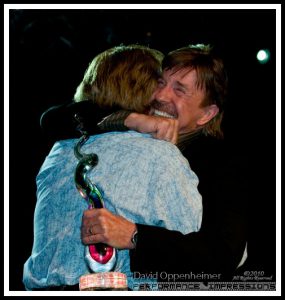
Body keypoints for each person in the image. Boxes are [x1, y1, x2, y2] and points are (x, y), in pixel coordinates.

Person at [39, 44, 248, 289]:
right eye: (160, 82)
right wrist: (127, 118)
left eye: (179, 91)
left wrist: (135, 236)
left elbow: (222, 256)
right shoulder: (136, 130)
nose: (161, 96)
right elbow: (52, 119)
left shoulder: (221, 163)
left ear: (206, 114)